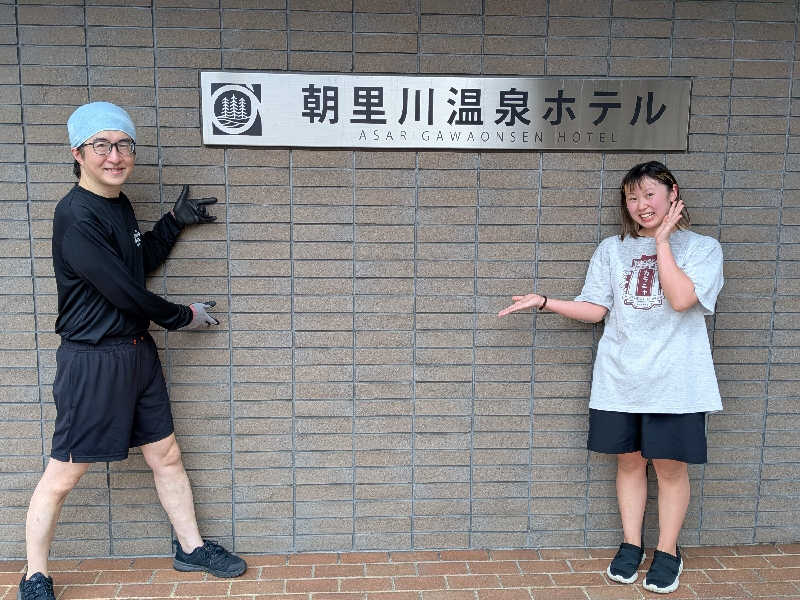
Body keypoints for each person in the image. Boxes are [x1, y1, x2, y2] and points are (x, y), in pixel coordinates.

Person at [19, 102, 246, 600]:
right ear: (78, 153)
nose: (115, 156)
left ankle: (191, 548)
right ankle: (35, 576)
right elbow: (123, 292)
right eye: (101, 145)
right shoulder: (75, 215)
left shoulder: (117, 206)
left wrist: (172, 222)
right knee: (63, 473)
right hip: (93, 360)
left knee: (166, 453)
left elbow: (135, 267)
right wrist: (182, 316)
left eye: (124, 145)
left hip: (137, 352)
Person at [499, 161, 723, 594]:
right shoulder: (611, 249)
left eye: (649, 195)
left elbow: (681, 299)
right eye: (632, 198)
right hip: (620, 379)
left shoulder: (702, 248)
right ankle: (631, 544)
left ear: (673, 194)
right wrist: (545, 301)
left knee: (670, 468)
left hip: (675, 382)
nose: (641, 205)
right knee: (629, 462)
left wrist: (661, 242)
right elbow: (596, 309)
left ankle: (668, 551)